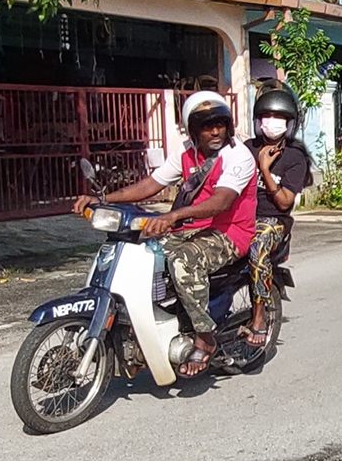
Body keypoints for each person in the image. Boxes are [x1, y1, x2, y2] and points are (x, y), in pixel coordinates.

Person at [73, 92, 257, 375]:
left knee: (184, 261)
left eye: (220, 124)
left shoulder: (238, 155)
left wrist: (173, 216)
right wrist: (104, 199)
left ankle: (205, 337)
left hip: (230, 232)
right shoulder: (185, 153)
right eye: (207, 126)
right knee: (141, 251)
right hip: (193, 228)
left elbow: (221, 201)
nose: (215, 131)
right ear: (193, 129)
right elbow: (151, 185)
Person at [243, 85, 314, 347]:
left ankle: (259, 316)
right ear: (258, 120)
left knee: (257, 246)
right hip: (242, 217)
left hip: (273, 221)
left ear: (290, 123)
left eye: (279, 118)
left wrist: (264, 168)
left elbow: (284, 203)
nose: (271, 123)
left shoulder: (295, 158)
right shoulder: (245, 148)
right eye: (266, 117)